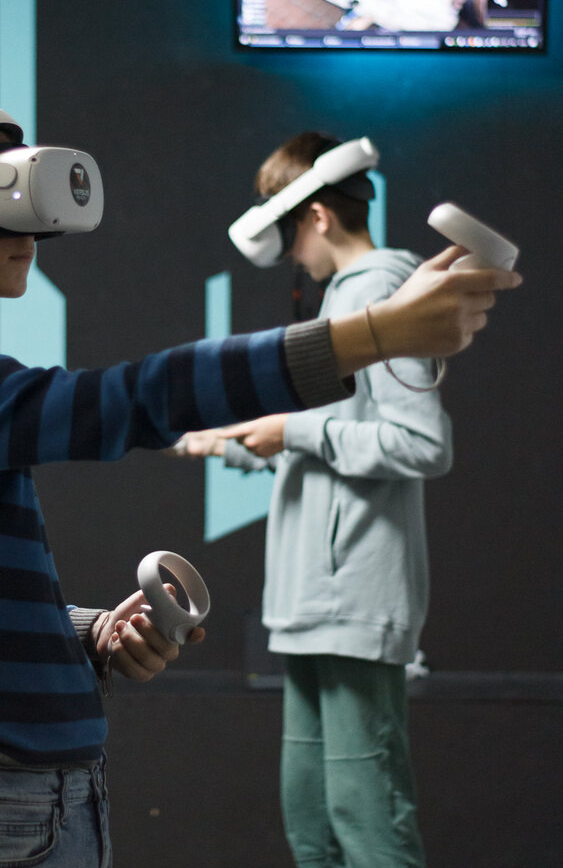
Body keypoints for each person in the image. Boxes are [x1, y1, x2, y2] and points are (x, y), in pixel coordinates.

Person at [0, 100, 519, 868]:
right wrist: (372, 335)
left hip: (32, 795)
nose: (22, 225)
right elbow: (129, 400)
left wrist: (87, 635)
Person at [176, 130, 466, 867]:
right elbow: (339, 438)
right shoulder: (345, 298)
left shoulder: (379, 295)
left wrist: (294, 430)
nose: (289, 254)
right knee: (311, 821)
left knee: (366, 821)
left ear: (316, 215)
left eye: (289, 232)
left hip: (354, 600)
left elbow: (421, 444)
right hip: (312, 605)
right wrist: (235, 442)